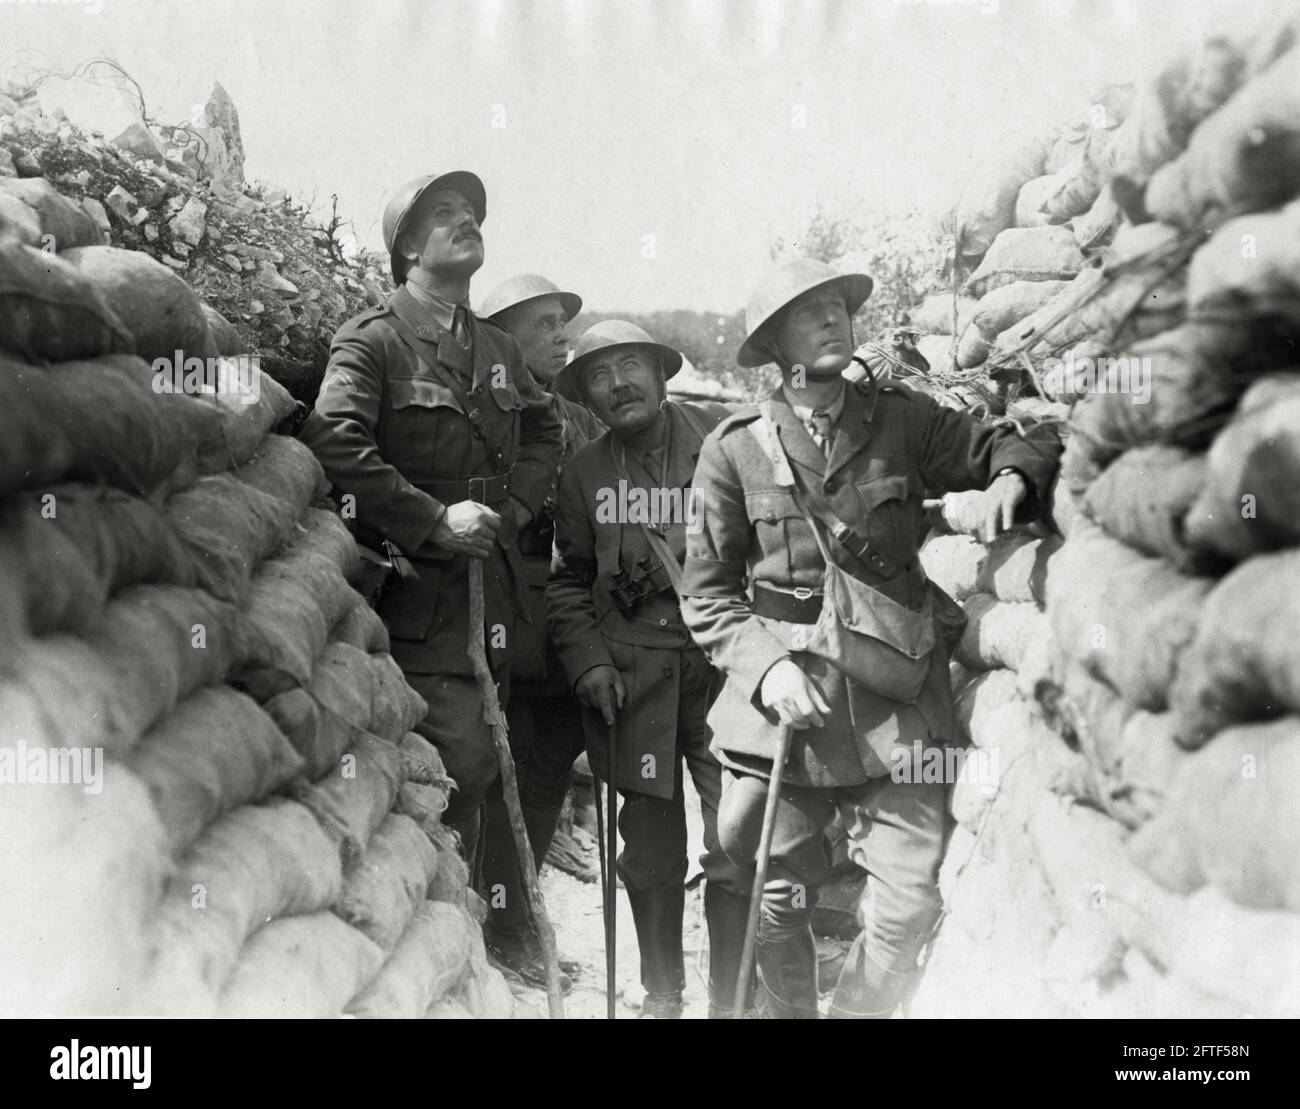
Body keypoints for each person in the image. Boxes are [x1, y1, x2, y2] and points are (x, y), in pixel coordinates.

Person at [680, 256, 1062, 1018]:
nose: (831, 319)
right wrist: (765, 671)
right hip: (788, 709)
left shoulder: (902, 417)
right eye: (808, 310)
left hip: (895, 706)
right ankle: (789, 1011)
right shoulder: (735, 449)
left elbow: (1014, 442)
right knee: (770, 891)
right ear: (775, 344)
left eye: (837, 306)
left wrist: (1010, 482)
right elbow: (708, 593)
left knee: (907, 909)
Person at [301, 172, 563, 878]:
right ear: (408, 245)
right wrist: (434, 518)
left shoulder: (501, 352)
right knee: (454, 767)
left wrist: (513, 511)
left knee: (484, 763)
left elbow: (545, 427)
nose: (466, 221)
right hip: (418, 598)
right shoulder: (374, 342)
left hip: (496, 596)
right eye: (444, 214)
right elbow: (335, 439)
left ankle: (466, 931)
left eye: (472, 213)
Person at [547, 321, 753, 1019]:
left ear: (662, 373)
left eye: (630, 365)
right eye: (599, 377)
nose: (619, 384)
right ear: (589, 399)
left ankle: (734, 1000)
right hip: (635, 681)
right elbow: (569, 583)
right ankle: (662, 996)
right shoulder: (584, 475)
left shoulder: (726, 437)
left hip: (726, 666)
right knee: (651, 854)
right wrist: (589, 662)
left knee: (738, 841)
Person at [475, 274, 602, 987]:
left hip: (563, 626)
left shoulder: (576, 418)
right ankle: (503, 928)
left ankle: (522, 924)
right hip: (501, 619)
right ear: (500, 336)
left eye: (564, 322)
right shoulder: (485, 413)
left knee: (546, 771)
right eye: (544, 324)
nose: (562, 337)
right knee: (498, 773)